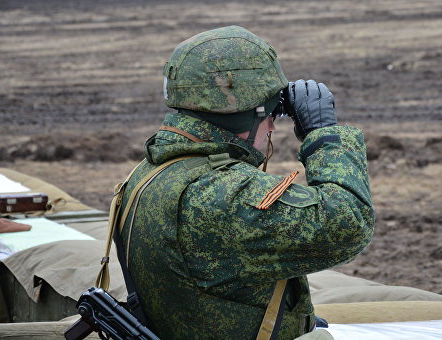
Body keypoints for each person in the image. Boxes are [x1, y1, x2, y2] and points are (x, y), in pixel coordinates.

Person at [115, 25, 374, 340]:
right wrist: (323, 135)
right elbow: (349, 221)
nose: (272, 129)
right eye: (269, 116)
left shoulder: (153, 170)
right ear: (242, 116)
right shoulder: (221, 196)